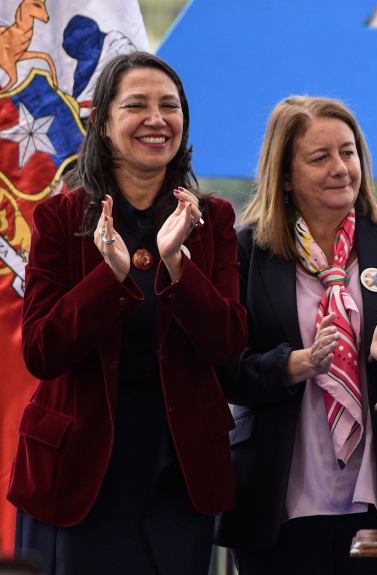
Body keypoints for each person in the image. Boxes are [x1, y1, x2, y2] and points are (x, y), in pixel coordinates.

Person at [14, 52, 245, 574]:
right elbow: (42, 350)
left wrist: (176, 266)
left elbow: (228, 344)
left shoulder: (214, 219)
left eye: (169, 106)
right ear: (101, 122)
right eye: (136, 105)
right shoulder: (59, 216)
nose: (156, 119)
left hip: (178, 470)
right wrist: (110, 277)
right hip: (78, 471)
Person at [213, 97, 377, 574]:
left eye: (348, 153)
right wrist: (296, 364)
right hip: (279, 497)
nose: (340, 168)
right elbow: (225, 368)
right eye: (319, 157)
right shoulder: (247, 249)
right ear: (283, 175)